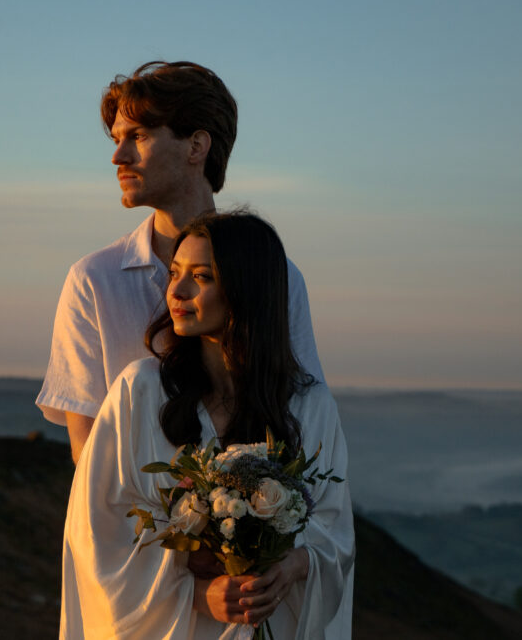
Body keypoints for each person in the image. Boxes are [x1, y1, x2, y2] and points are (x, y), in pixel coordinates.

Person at [60, 211, 354, 639]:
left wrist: (294, 565)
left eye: (201, 276)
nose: (176, 290)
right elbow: (94, 535)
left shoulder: (310, 407)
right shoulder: (139, 393)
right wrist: (197, 594)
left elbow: (336, 532)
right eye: (175, 272)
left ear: (247, 288)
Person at [36, 61, 325, 464]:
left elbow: (303, 414)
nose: (118, 156)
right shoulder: (94, 281)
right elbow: (87, 457)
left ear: (196, 146)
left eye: (137, 136)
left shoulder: (276, 276)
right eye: (117, 139)